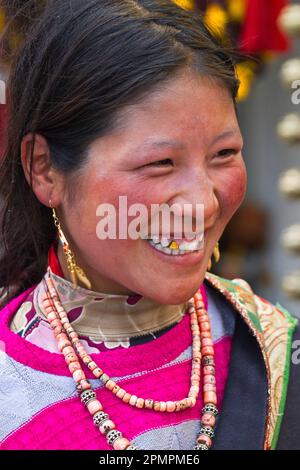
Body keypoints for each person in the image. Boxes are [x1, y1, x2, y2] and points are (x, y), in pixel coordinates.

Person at [0, 0, 299, 451]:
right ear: (44, 169)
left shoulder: (273, 350)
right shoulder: (11, 390)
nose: (201, 204)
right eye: (160, 163)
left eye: (224, 154)